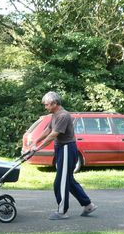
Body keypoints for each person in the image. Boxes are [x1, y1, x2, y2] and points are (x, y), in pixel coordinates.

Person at [30, 91, 97, 220]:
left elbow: (53, 135)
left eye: (47, 105)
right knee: (68, 180)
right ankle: (88, 205)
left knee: (60, 182)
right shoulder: (54, 115)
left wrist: (39, 147)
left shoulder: (63, 116)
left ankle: (62, 212)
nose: (45, 107)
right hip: (61, 149)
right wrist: (35, 140)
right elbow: (47, 130)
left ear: (55, 103)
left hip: (66, 148)